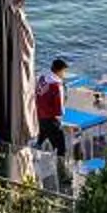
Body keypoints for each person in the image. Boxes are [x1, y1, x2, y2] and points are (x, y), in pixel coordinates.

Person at [34, 56, 71, 190]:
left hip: (39, 117)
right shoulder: (57, 85)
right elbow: (60, 110)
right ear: (60, 71)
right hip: (52, 120)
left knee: (40, 140)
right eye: (64, 72)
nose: (64, 74)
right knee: (61, 148)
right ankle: (63, 176)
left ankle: (33, 165)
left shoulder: (42, 78)